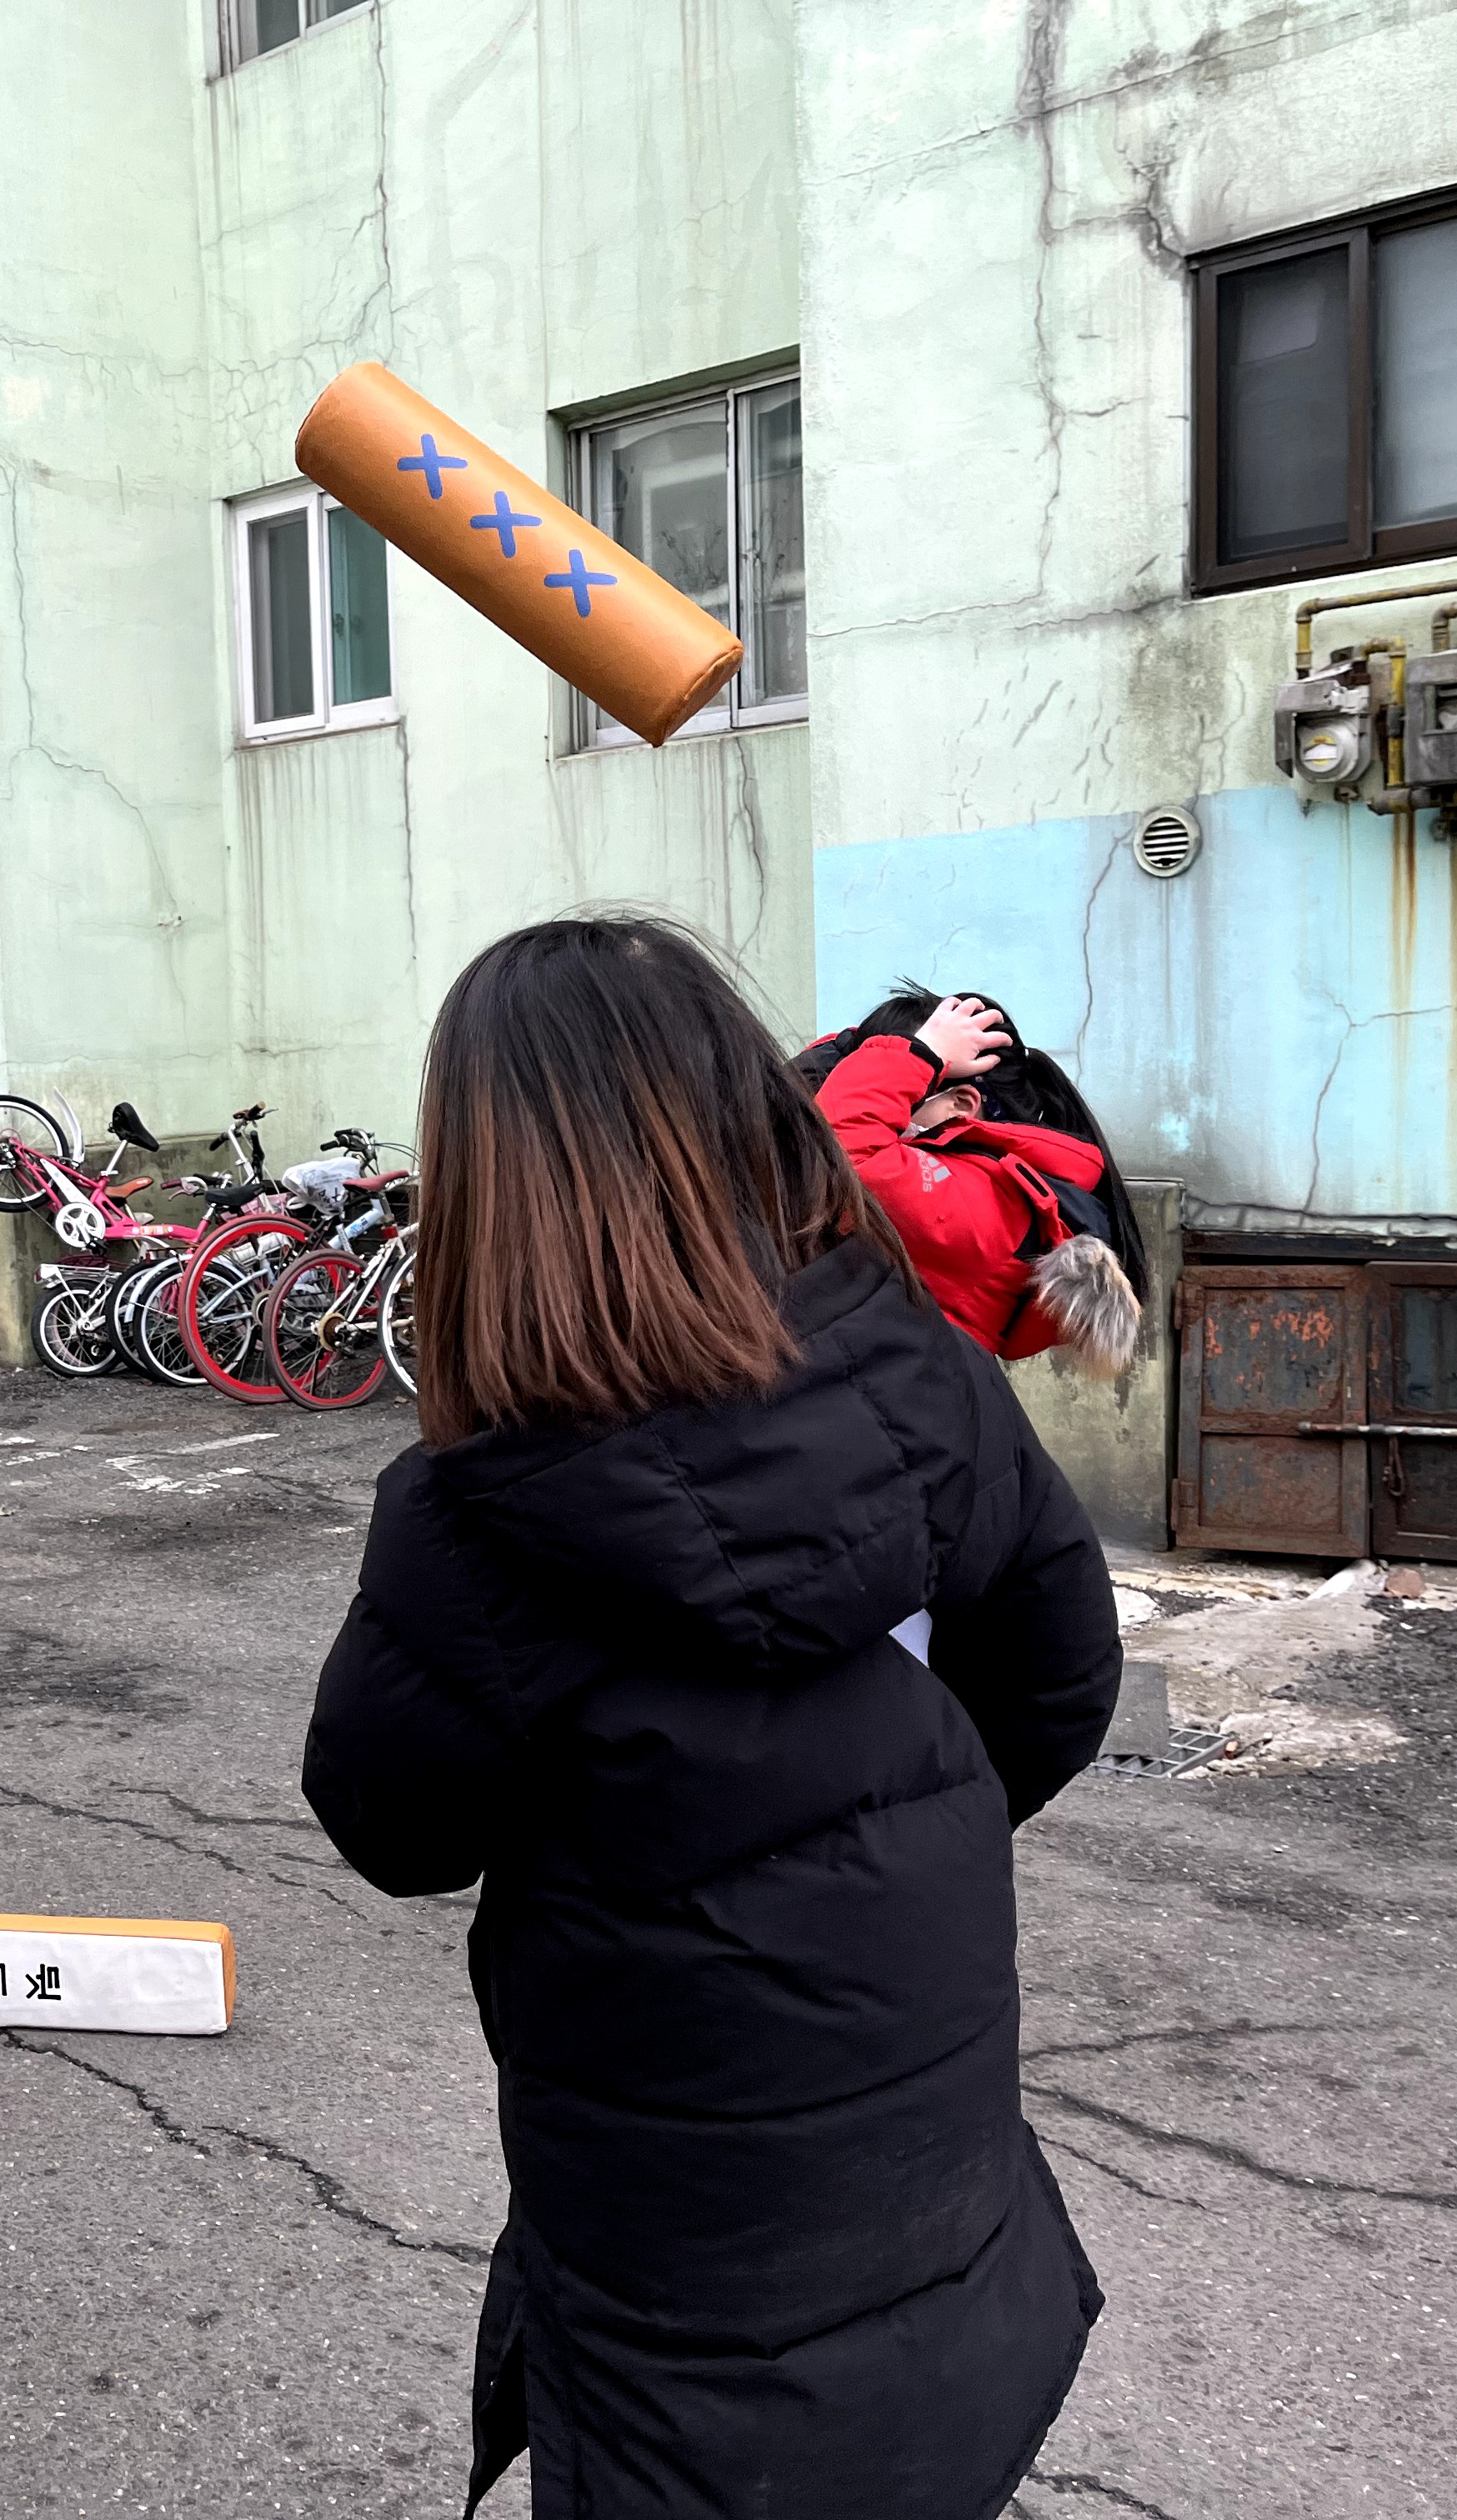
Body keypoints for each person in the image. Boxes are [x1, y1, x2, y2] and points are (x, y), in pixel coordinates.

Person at [301, 919, 1121, 2518]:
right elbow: (1057, 1676)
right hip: (924, 2103)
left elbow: (391, 1821)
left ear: (490, 1187)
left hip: (672, 2194)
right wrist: (890, 1834)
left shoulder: (477, 1517)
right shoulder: (928, 1374)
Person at [796, 989, 1152, 1377]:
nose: (889, 1105)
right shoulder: (979, 1178)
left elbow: (838, 1156)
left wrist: (919, 1052)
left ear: (961, 1104)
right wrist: (854, 1051)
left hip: (900, 1394)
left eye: (905, 1090)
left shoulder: (997, 1203)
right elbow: (786, 1125)